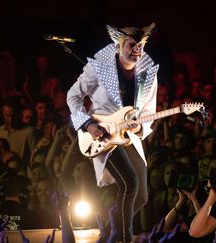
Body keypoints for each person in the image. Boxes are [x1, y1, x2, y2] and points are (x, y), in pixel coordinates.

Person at [67, 22, 158, 243]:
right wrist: (87, 124)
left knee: (142, 197)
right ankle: (125, 239)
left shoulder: (148, 72)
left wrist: (140, 127)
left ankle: (109, 232)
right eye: (132, 45)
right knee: (131, 183)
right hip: (102, 133)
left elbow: (149, 110)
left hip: (127, 137)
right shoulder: (99, 66)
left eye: (140, 45)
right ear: (119, 47)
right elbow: (73, 96)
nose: (137, 49)